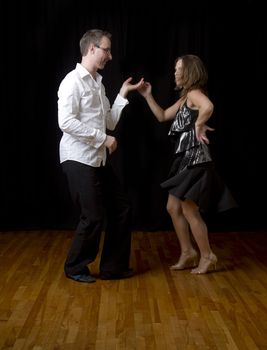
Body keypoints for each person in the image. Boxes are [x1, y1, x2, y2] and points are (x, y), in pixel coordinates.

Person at [57, 29, 144, 283]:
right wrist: (102, 139)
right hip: (77, 158)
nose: (110, 55)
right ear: (91, 49)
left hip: (97, 159)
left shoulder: (98, 83)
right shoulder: (72, 81)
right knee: (93, 216)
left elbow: (109, 121)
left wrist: (123, 94)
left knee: (121, 208)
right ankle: (74, 267)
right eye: (106, 49)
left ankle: (112, 267)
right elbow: (66, 122)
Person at [138, 54, 236, 274]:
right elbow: (163, 116)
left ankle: (208, 256)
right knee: (173, 207)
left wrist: (199, 123)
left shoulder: (194, 93)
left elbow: (208, 106)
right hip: (184, 159)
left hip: (196, 159)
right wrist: (147, 96)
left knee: (189, 210)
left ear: (189, 71)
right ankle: (188, 253)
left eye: (178, 68)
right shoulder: (184, 99)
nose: (175, 72)